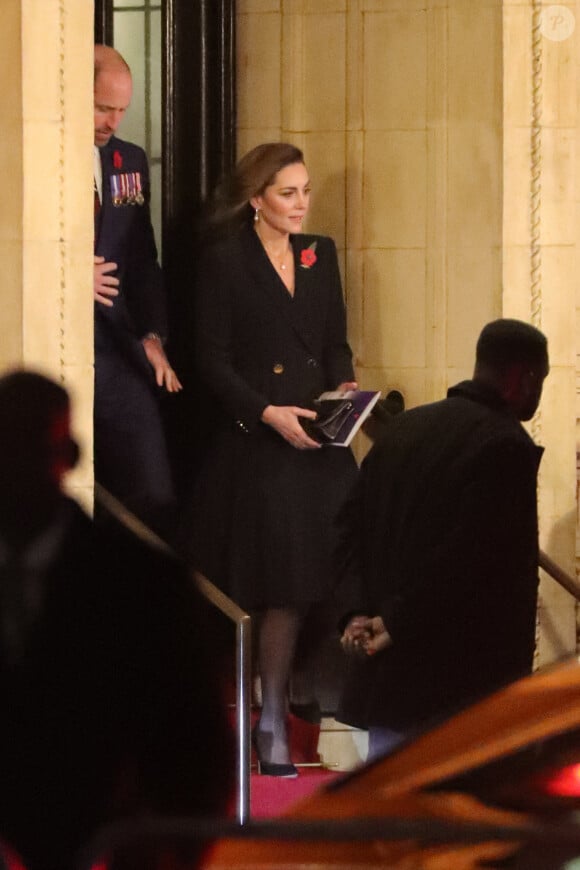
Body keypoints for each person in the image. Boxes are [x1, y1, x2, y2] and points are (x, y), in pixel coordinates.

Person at [0, 370, 234, 870]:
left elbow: (194, 744)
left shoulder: (143, 584)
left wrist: (162, 852)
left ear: (66, 458)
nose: (14, 474)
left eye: (28, 452)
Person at [181, 142, 359, 776]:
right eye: (287, 193)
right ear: (256, 199)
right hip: (259, 439)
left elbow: (336, 342)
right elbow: (212, 361)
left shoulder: (320, 254)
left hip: (318, 435)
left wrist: (344, 391)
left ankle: (306, 693)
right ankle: (268, 716)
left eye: (305, 191)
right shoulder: (226, 262)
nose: (301, 204)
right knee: (283, 578)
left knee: (345, 562)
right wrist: (266, 413)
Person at [336, 319, 549, 761]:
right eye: (540, 380)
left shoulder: (400, 431)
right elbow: (467, 559)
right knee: (450, 824)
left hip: (388, 686)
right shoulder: (505, 446)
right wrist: (395, 620)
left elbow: (348, 531)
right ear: (522, 378)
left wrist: (355, 612)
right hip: (461, 690)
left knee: (390, 820)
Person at [93, 44, 182, 538]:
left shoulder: (128, 160)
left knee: (151, 487)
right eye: (103, 107)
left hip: (117, 346)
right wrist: (65, 276)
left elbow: (144, 260)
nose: (113, 121)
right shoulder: (29, 151)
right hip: (45, 340)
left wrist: (152, 332)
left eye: (122, 109)